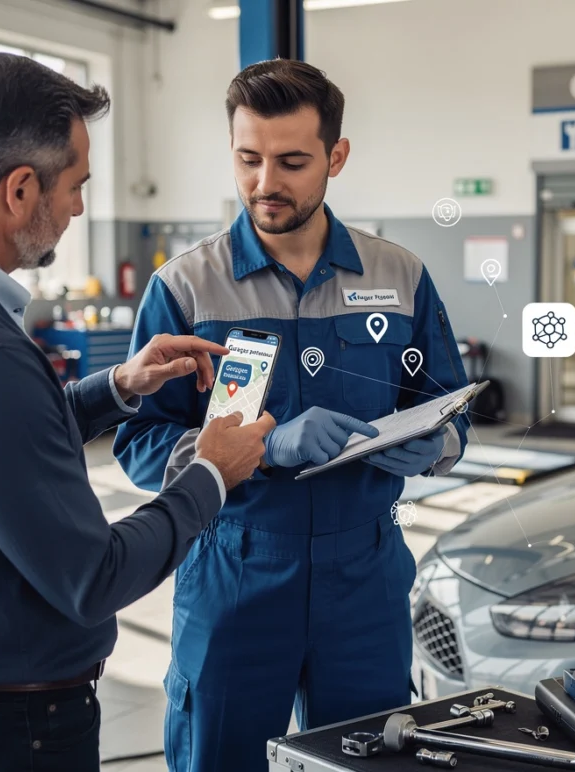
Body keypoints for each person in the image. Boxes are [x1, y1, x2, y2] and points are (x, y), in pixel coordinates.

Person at [0, 54, 275, 772]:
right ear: (20, 190)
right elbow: (94, 577)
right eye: (76, 185)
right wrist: (210, 475)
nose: (80, 208)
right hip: (4, 733)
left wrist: (115, 387)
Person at [113, 59, 471, 771]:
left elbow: (450, 409)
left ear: (336, 157)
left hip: (366, 573)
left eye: (292, 161)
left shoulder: (399, 277)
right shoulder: (185, 286)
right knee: (220, 757)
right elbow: (141, 445)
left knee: (371, 757)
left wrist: (431, 447)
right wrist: (264, 451)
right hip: (235, 568)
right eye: (248, 159)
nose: (264, 183)